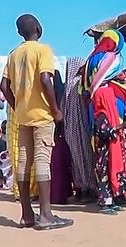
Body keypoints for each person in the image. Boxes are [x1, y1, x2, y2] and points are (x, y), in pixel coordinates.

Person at [0, 14, 72, 230]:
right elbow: (45, 79)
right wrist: (56, 110)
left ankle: (26, 215)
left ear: (19, 32)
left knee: (23, 162)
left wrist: (18, 107)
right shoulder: (43, 50)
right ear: (39, 28)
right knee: (42, 161)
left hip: (23, 118)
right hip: (42, 116)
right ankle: (46, 216)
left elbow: (4, 86)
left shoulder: (14, 54)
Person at [83, 29, 126, 214]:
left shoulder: (91, 59)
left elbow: (86, 89)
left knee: (103, 155)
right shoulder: (113, 59)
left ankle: (111, 196)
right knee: (109, 156)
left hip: (95, 110)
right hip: (110, 111)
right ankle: (107, 199)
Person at [62, 57, 96, 201]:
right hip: (81, 128)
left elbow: (62, 108)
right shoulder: (79, 84)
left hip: (69, 130)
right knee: (86, 158)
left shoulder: (66, 87)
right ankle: (89, 189)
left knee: (76, 161)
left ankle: (80, 189)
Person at [50, 70, 73, 204]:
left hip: (55, 132)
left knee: (56, 165)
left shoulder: (51, 93)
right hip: (61, 133)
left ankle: (56, 195)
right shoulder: (64, 91)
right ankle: (60, 195)